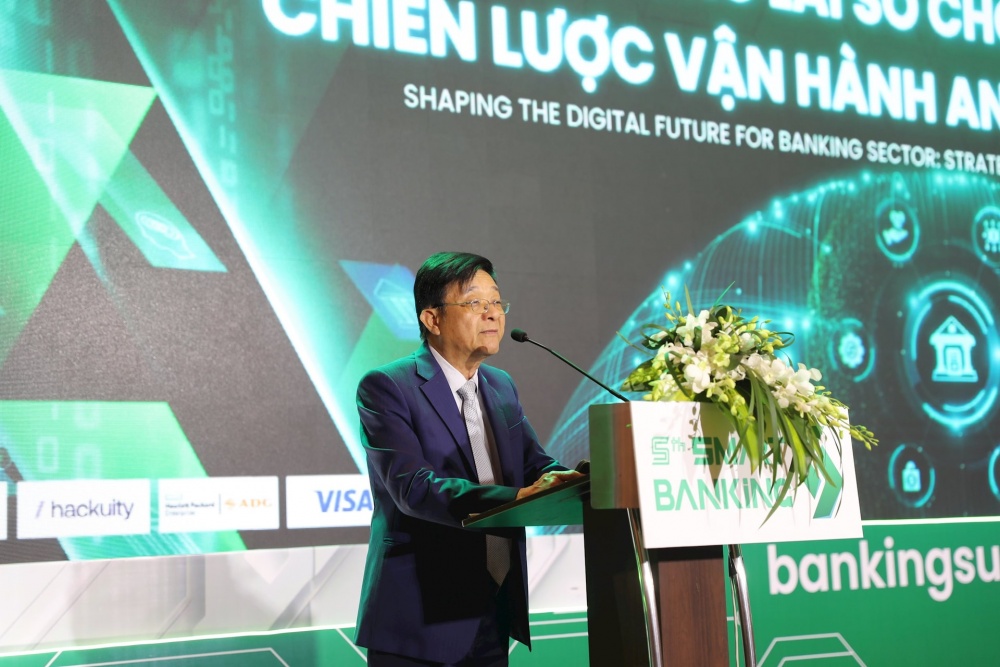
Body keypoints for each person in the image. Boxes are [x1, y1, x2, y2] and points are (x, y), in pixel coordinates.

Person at [354, 251, 583, 666]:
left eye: (496, 301)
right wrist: (514, 498)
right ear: (432, 318)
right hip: (419, 619)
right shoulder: (388, 387)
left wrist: (576, 481)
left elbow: (534, 464)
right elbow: (413, 488)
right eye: (475, 302)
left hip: (493, 611)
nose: (493, 313)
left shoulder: (500, 385)